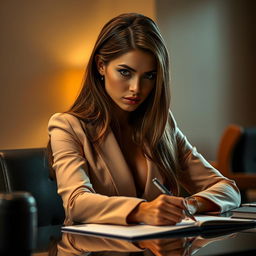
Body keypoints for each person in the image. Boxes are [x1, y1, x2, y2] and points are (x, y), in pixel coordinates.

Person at [48, 13, 240, 226]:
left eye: (149, 76)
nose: (136, 89)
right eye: (125, 72)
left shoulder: (162, 125)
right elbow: (76, 204)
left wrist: (189, 205)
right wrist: (143, 210)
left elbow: (228, 189)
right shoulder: (67, 126)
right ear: (101, 65)